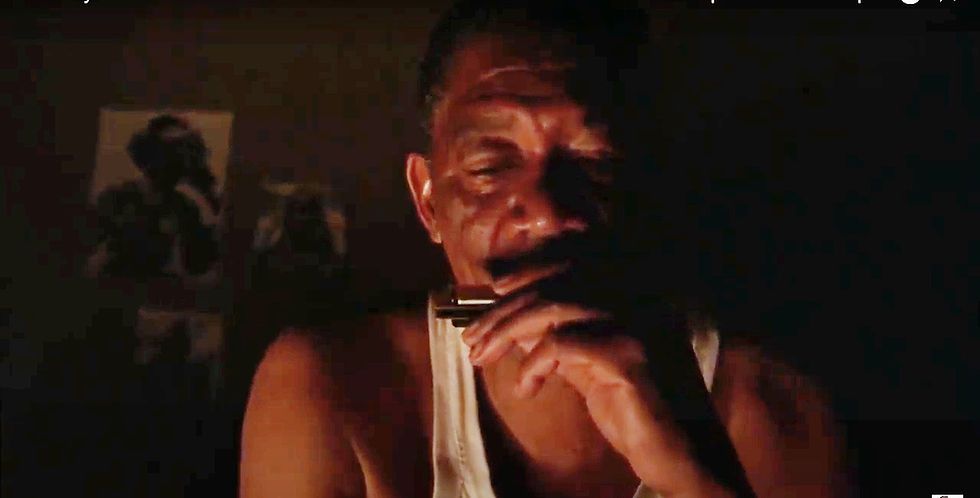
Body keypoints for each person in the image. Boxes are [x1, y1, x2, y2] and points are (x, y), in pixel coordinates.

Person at [240, 2, 850, 497]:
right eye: (491, 166)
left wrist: (695, 477)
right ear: (428, 202)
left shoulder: (768, 409)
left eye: (595, 162)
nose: (548, 211)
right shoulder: (333, 390)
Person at [87, 114, 220, 280]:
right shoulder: (115, 198)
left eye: (182, 152)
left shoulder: (184, 207)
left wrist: (208, 191)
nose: (176, 160)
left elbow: (198, 265)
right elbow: (89, 254)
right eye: (168, 151)